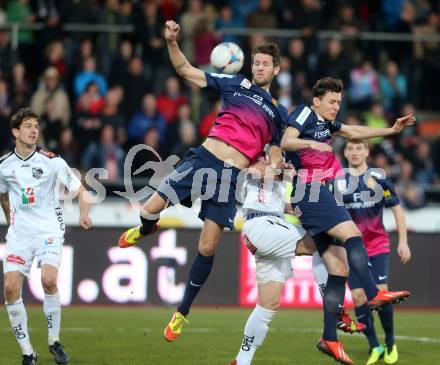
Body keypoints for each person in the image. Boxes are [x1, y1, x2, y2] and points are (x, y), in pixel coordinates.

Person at [117, 20, 289, 342]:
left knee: (207, 246)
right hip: (203, 159)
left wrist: (274, 167)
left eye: (266, 63)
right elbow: (185, 70)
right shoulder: (234, 83)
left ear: (277, 70)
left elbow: (276, 154)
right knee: (149, 208)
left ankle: (181, 312)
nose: (260, 67)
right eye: (257, 62)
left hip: (231, 176)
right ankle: (146, 229)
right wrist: (171, 41)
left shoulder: (280, 114)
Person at [281, 77, 413, 364]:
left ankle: (329, 337)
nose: (335, 107)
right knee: (353, 235)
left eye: (339, 102)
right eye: (331, 101)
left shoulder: (328, 125)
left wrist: (391, 130)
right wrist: (312, 146)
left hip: (319, 192)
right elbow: (286, 140)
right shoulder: (305, 113)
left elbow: (354, 130)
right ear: (317, 101)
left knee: (338, 268)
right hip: (310, 191)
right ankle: (373, 294)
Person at [230, 153, 364, 365]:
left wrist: (304, 208)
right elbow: (266, 172)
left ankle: (241, 360)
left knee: (268, 305)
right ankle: (335, 312)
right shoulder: (254, 154)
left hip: (270, 226)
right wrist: (292, 172)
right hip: (262, 225)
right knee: (325, 238)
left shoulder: (277, 156)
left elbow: (282, 204)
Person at [0, 108, 92, 365]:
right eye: (28, 126)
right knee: (9, 288)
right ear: (15, 132)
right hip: (19, 235)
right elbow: (3, 195)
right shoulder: (4, 166)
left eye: (36, 126)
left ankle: (54, 341)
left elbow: (81, 189)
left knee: (49, 280)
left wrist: (84, 214)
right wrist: (11, 220)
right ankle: (28, 352)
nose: (33, 130)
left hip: (49, 231)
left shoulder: (52, 161)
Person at [337, 139, 411, 364]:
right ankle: (375, 346)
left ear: (367, 151)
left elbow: (397, 210)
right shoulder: (338, 181)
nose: (355, 152)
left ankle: (390, 342)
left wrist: (403, 242)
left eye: (359, 148)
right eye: (350, 148)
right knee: (358, 297)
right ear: (346, 153)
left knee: (380, 295)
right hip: (351, 247)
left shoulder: (378, 177)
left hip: (377, 244)